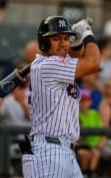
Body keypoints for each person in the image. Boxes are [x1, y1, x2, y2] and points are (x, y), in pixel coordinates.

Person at [21, 16, 100, 178]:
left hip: (66, 151)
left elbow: (75, 58)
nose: (63, 43)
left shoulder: (52, 64)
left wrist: (76, 43)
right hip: (48, 152)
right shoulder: (48, 65)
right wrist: (87, 34)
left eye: (66, 38)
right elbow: (93, 62)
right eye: (56, 38)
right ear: (44, 42)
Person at [77, 89, 105, 177]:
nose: (84, 103)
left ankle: (90, 174)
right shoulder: (75, 113)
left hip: (95, 144)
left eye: (87, 100)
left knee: (96, 152)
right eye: (82, 101)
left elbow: (102, 131)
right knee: (84, 153)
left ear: (91, 101)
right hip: (81, 145)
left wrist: (100, 144)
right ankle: (84, 174)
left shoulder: (94, 113)